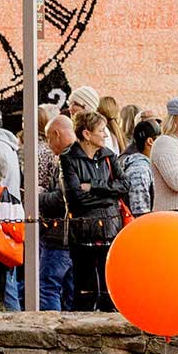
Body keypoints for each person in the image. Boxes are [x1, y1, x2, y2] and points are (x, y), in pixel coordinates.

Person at [59, 111, 128, 312]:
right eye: (101, 130)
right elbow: (75, 198)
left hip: (110, 228)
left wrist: (94, 186)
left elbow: (125, 185)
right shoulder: (68, 158)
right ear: (87, 134)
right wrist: (108, 195)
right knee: (85, 291)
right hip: (83, 232)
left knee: (110, 291)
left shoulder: (109, 155)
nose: (105, 135)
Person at [31, 115, 74, 312]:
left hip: (59, 235)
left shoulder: (67, 159)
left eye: (49, 138)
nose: (48, 144)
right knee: (69, 288)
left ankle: (52, 331)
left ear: (57, 134)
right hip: (73, 234)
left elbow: (62, 198)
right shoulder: (82, 155)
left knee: (48, 286)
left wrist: (36, 198)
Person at [120, 119, 161, 218]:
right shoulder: (139, 170)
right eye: (160, 140)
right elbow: (140, 211)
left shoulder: (145, 165)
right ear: (150, 141)